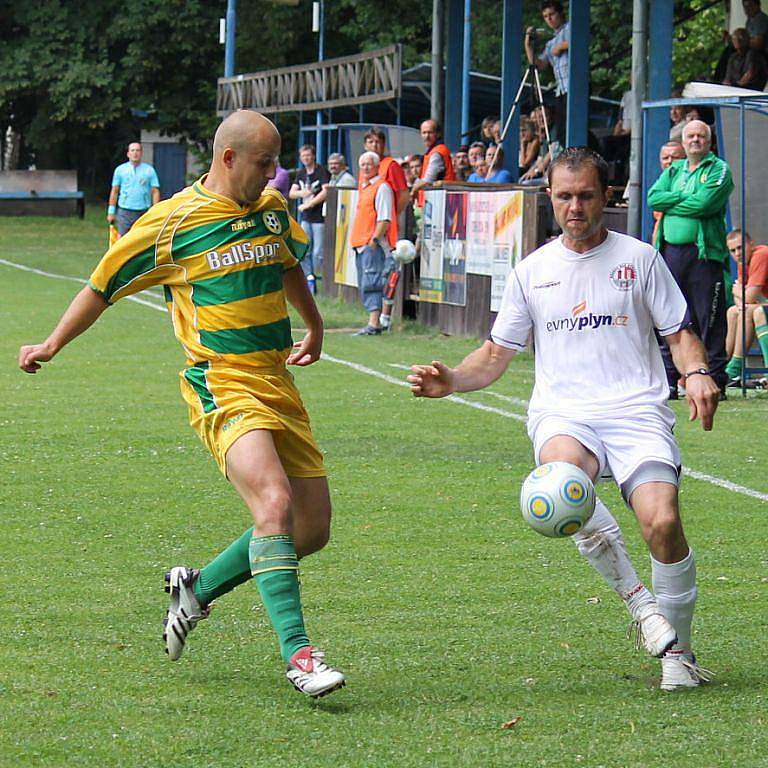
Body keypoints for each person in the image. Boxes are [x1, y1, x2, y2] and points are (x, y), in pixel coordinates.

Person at [18, 110, 346, 699]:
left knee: (311, 528)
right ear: (227, 159)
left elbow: (289, 263)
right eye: (265, 163)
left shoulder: (270, 209)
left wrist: (315, 327)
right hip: (220, 382)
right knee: (274, 502)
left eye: (277, 162)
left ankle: (195, 590)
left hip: (276, 380)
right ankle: (299, 655)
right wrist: (51, 343)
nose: (277, 173)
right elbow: (102, 285)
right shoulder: (172, 223)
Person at [409, 147, 718, 691]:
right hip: (565, 413)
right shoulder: (533, 272)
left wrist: (695, 373)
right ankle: (641, 606)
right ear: (550, 197)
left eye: (586, 195)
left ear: (606, 196)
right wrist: (452, 380)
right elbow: (495, 353)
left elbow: (680, 332)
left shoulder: (641, 259)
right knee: (561, 484)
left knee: (662, 523)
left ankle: (681, 653)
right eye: (564, 196)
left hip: (635, 409)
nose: (575, 207)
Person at [648, 120, 734, 398]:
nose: (695, 140)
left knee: (709, 319)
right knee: (669, 316)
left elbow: (706, 204)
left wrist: (673, 203)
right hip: (671, 253)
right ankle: (670, 381)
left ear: (709, 142)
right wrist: (687, 197)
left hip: (704, 255)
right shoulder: (674, 170)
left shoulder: (719, 169)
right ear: (684, 142)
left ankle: (716, 381)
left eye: (701, 136)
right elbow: (653, 198)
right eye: (690, 136)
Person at [349, 151, 394, 336]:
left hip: (371, 244)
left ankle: (374, 323)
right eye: (363, 165)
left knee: (372, 281)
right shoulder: (364, 187)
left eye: (369, 164)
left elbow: (384, 218)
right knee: (366, 282)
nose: (366, 168)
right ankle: (372, 321)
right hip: (360, 243)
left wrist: (374, 240)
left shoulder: (381, 187)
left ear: (377, 166)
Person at [724, 229, 768, 386]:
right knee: (733, 312)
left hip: (761, 307)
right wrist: (739, 294)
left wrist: (736, 290)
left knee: (754, 311)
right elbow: (741, 301)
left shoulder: (760, 255)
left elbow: (748, 297)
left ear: (751, 244)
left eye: (740, 247)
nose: (737, 253)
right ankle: (723, 364)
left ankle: (734, 368)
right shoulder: (743, 263)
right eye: (733, 250)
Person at [288, 144, 330, 290]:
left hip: (319, 218)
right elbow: (291, 193)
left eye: (308, 155)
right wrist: (302, 193)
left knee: (318, 251)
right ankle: (309, 278)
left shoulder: (321, 171)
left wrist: (309, 204)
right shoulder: (301, 173)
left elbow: (326, 192)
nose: (306, 158)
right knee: (305, 248)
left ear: (313, 156)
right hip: (306, 218)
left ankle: (320, 280)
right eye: (303, 156)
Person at [525, 2, 570, 133]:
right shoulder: (551, 42)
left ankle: (594, 151)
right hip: (561, 89)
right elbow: (539, 64)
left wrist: (561, 46)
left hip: (574, 85)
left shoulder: (569, 28)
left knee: (571, 126)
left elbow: (579, 38)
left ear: (560, 13)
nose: (549, 19)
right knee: (562, 130)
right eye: (545, 16)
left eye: (552, 14)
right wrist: (528, 45)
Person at [107, 142, 160, 236]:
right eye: (133, 150)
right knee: (123, 240)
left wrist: (155, 210)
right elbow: (114, 191)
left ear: (141, 153)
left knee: (142, 239)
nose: (135, 153)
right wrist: (111, 212)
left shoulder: (149, 170)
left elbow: (155, 191)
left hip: (143, 211)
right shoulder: (120, 170)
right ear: (128, 154)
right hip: (125, 211)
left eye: (138, 150)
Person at [411, 119, 456, 206]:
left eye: (430, 132)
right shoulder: (433, 151)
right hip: (437, 200)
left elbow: (428, 180)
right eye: (424, 133)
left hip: (441, 201)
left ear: (438, 134)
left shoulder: (437, 153)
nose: (426, 136)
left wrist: (413, 191)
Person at [650, 141, 686, 243]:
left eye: (675, 157)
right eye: (665, 158)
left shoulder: (691, 181)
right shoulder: (660, 184)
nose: (670, 161)